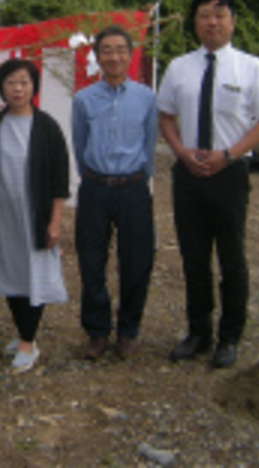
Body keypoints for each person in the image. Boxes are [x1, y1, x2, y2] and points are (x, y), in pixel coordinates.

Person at [157, 0, 259, 369]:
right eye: (205, 15)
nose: (212, 22)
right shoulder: (179, 67)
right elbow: (165, 116)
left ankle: (230, 336)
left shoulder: (251, 68)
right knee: (194, 259)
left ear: (232, 21)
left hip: (230, 174)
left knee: (231, 257)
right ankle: (198, 333)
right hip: (189, 174)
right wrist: (181, 152)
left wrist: (229, 154)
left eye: (220, 14)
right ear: (195, 23)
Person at [71, 25, 157, 361]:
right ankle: (96, 332)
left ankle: (128, 330)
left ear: (131, 53)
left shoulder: (146, 97)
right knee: (91, 261)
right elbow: (79, 146)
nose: (114, 56)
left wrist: (138, 180)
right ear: (96, 56)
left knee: (137, 262)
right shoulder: (84, 99)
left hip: (133, 187)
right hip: (94, 186)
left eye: (120, 49)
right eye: (106, 49)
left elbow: (150, 145)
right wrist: (92, 177)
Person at [0, 58, 70, 373]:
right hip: (3, 215)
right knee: (11, 271)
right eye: (11, 82)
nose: (18, 88)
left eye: (24, 81)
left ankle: (28, 340)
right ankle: (22, 331)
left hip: (34, 214)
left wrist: (54, 221)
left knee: (34, 273)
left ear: (33, 85)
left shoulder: (46, 126)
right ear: (1, 88)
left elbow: (60, 178)